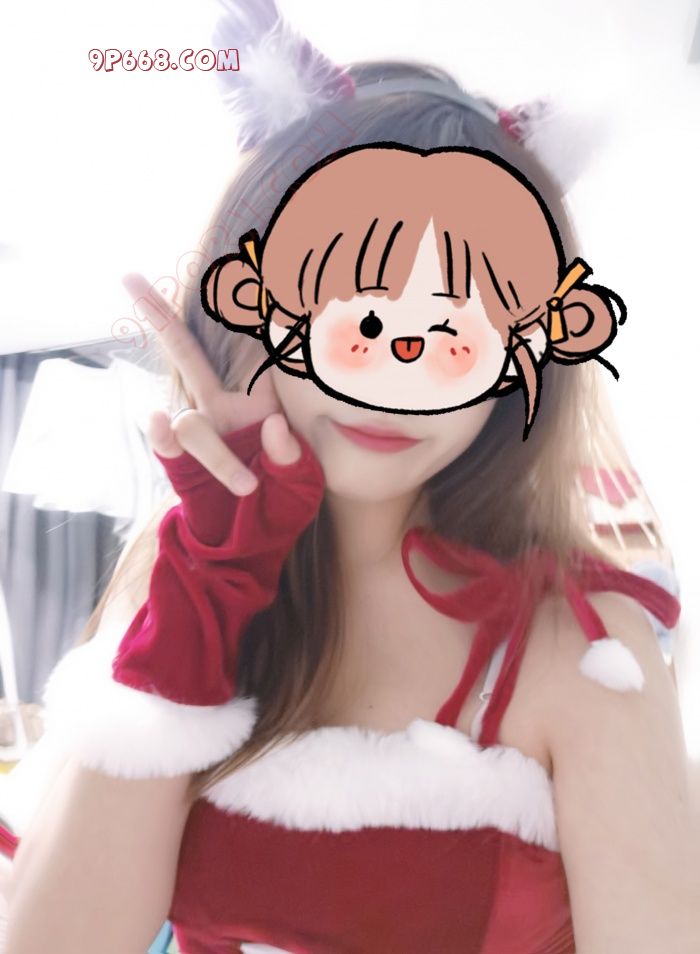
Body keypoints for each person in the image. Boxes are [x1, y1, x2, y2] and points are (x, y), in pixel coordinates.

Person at [5, 5, 697, 952]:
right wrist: (211, 577)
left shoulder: (580, 647)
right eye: (352, 313)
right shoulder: (174, 593)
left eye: (456, 330)